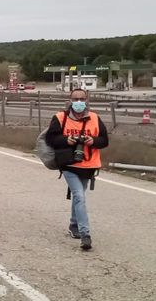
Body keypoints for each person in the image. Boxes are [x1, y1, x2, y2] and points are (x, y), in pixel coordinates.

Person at [46, 88, 109, 251]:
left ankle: (74, 225)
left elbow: (104, 140)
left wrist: (92, 140)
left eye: (82, 99)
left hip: (88, 165)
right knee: (79, 196)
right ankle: (85, 234)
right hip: (68, 164)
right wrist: (68, 140)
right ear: (70, 100)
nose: (79, 102)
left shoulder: (95, 118)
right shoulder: (60, 118)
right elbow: (51, 139)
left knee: (78, 195)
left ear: (87, 100)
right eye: (75, 99)